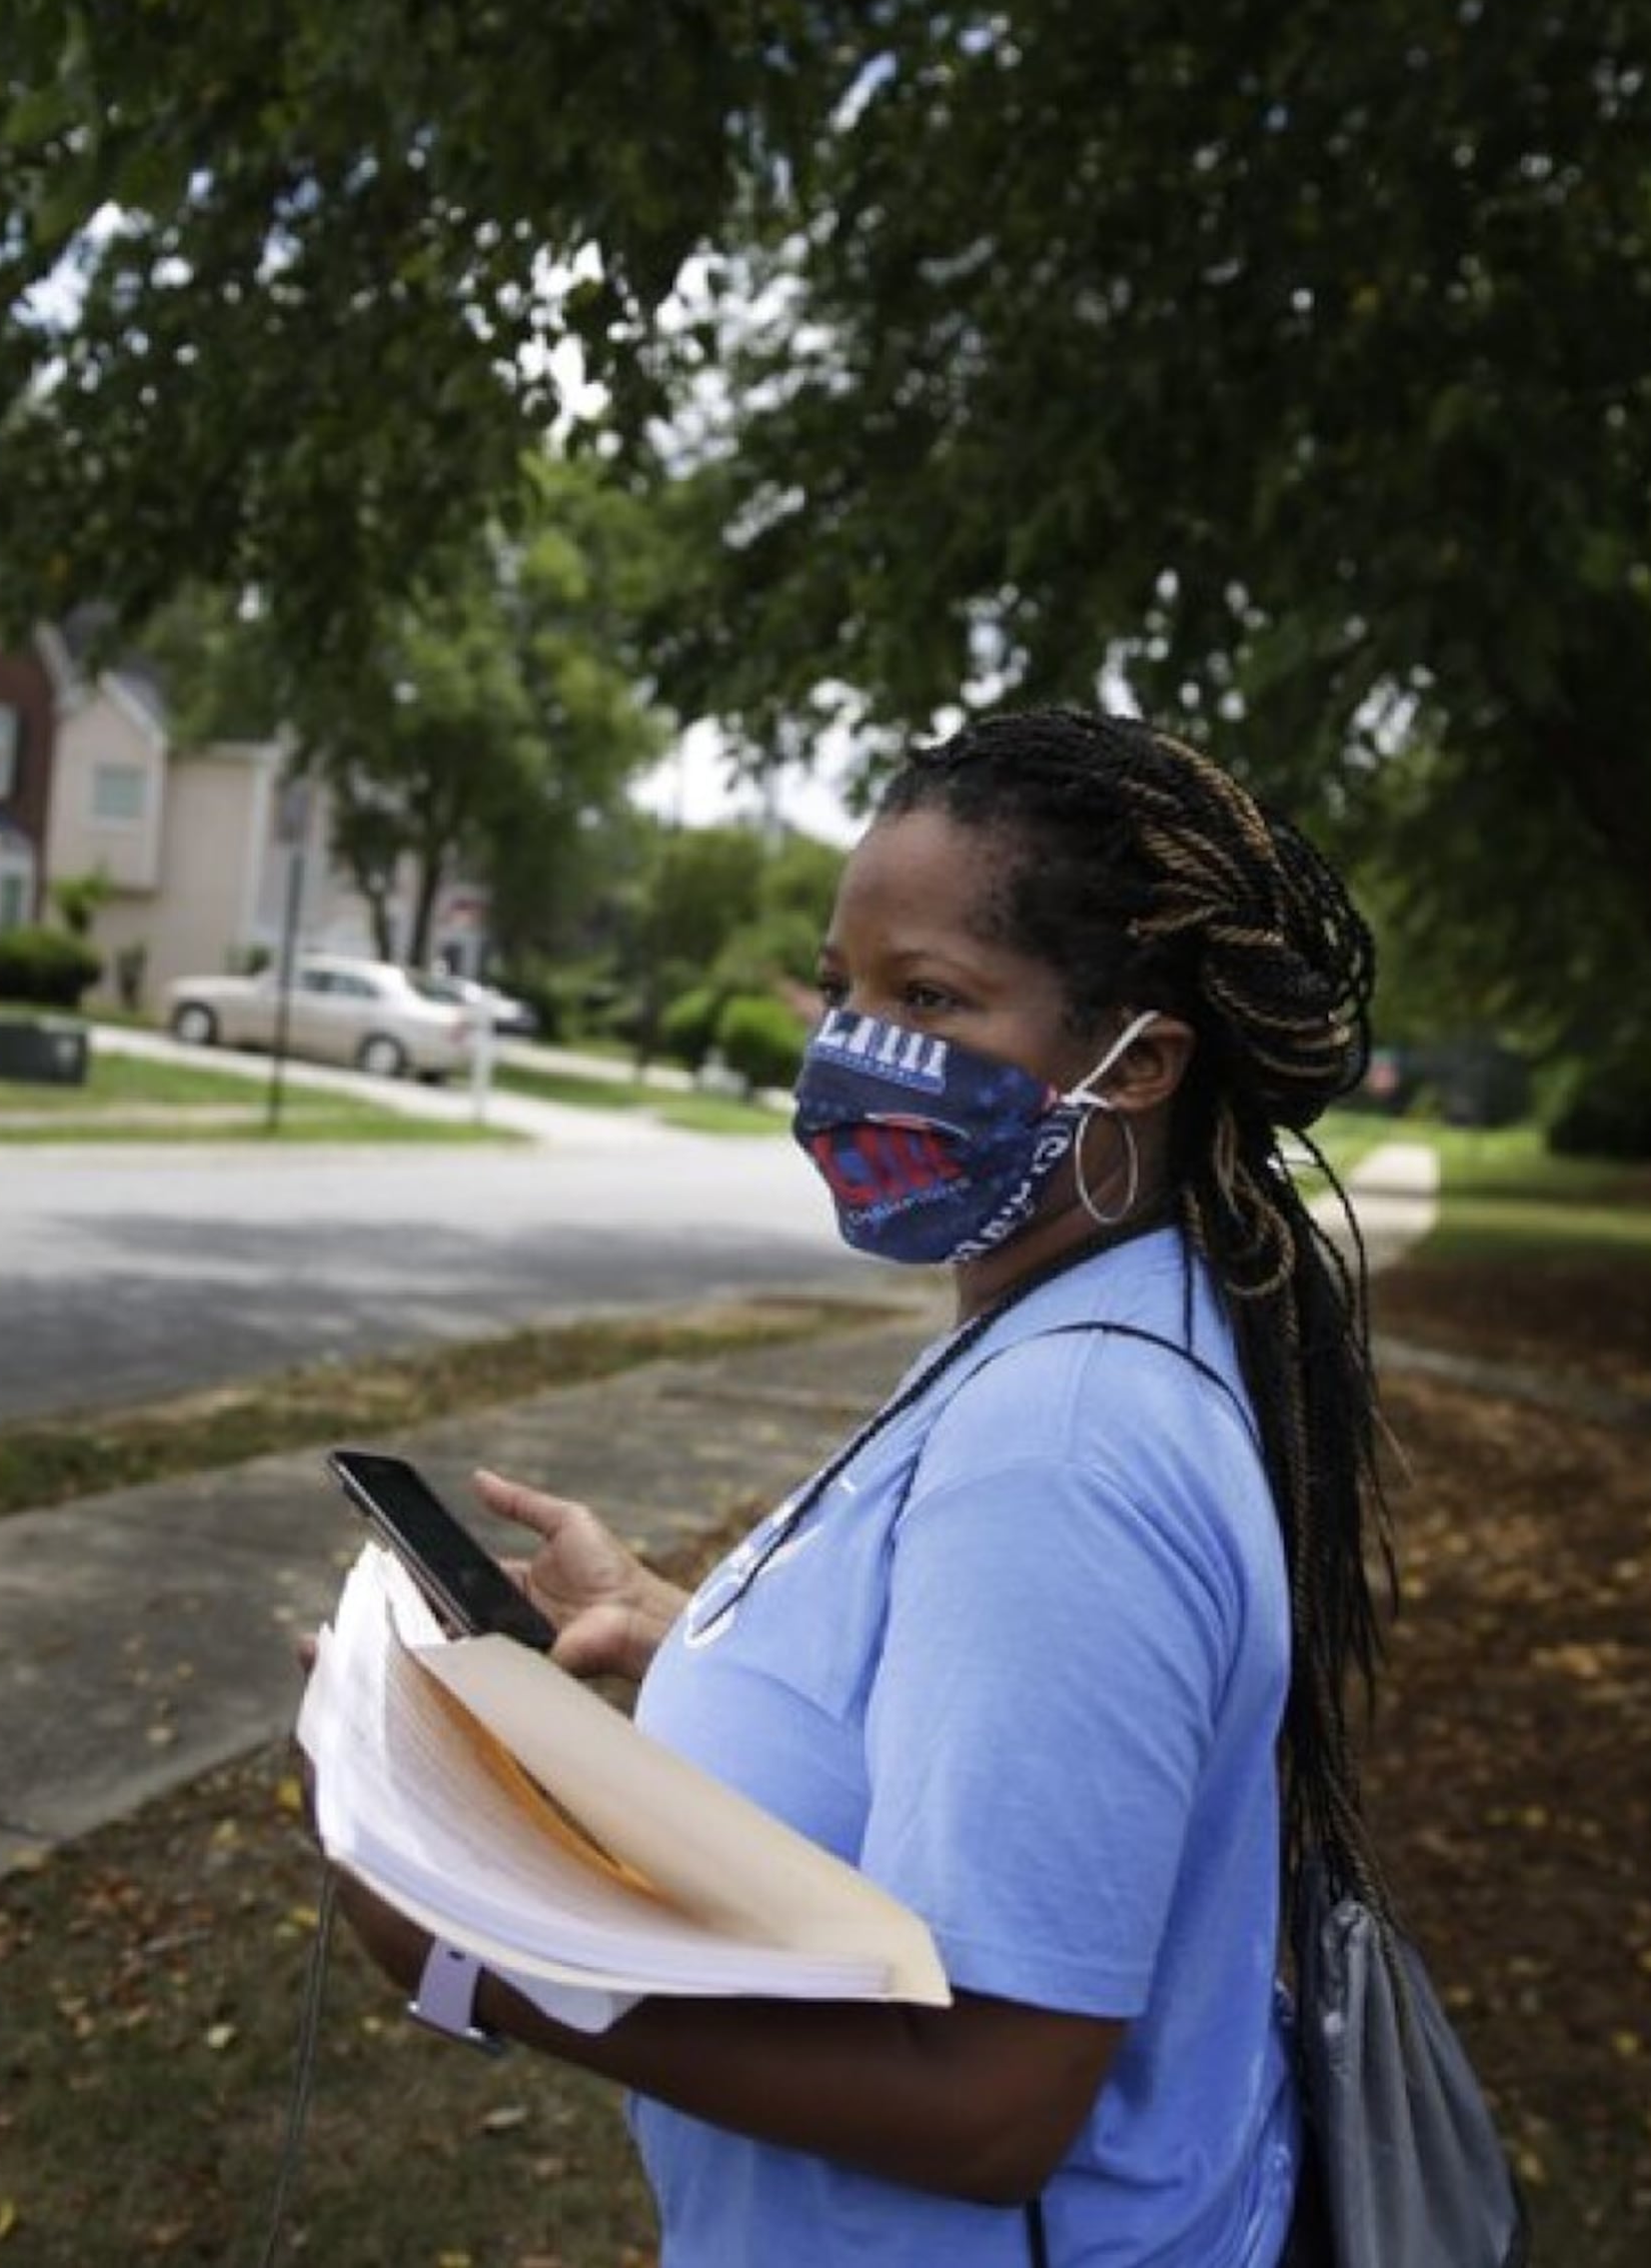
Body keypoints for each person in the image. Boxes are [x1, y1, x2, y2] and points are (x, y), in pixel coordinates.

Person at [317, 707, 1394, 2265]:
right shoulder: (1063, 1322)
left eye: (931, 995)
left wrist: (481, 1961)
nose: (852, 1044)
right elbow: (990, 1713)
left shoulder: (1072, 1444)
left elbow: (992, 2105)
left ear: (1140, 1061)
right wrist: (675, 1627)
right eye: (844, 986)